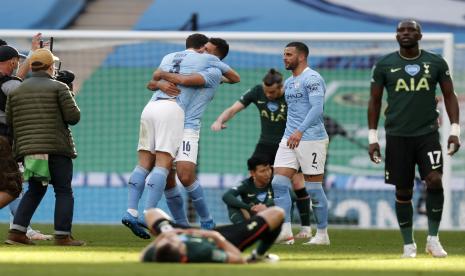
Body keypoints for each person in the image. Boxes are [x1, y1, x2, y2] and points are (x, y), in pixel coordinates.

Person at [122, 34, 239, 239]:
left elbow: (183, 79)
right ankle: (182, 226)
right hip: (168, 118)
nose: (204, 52)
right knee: (166, 177)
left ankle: (206, 221)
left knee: (185, 176)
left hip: (187, 128)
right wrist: (159, 82)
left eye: (209, 51)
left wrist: (162, 75)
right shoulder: (191, 62)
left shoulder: (211, 71)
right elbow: (152, 82)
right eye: (204, 49)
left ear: (217, 58)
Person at [368, 19, 461, 258]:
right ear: (396, 35)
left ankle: (433, 239)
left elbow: (449, 96)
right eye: (401, 30)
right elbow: (375, 101)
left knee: (434, 180)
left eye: (411, 30)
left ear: (420, 36)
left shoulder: (436, 62)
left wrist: (454, 130)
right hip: (397, 135)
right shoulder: (384, 64)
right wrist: (372, 137)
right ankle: (408, 244)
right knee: (403, 191)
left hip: (427, 134)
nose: (405, 33)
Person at [211, 68, 313, 240]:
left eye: (272, 92)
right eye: (266, 92)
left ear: (281, 87)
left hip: (289, 144)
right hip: (265, 145)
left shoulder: (292, 94)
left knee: (297, 185)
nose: (269, 95)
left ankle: (305, 228)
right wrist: (220, 120)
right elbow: (234, 108)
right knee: (256, 181)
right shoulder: (257, 91)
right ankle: (254, 223)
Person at [4, 48, 84, 246]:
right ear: (51, 67)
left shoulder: (17, 89)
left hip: (30, 150)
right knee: (63, 190)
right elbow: (73, 117)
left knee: (35, 190)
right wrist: (69, 93)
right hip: (56, 147)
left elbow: (10, 120)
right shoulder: (59, 87)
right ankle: (63, 236)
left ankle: (17, 232)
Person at [270, 42, 330, 245]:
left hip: (311, 138)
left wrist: (300, 131)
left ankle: (322, 235)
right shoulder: (288, 82)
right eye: (284, 54)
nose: (284, 58)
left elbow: (317, 109)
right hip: (289, 138)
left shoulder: (312, 78)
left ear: (301, 57)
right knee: (278, 183)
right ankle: (285, 233)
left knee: (313, 189)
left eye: (289, 54)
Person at [0, 38, 53, 241]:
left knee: (9, 186)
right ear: (11, 61)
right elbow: (18, 88)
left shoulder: (8, 82)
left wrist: (31, 55)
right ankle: (22, 228)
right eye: (15, 60)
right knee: (12, 187)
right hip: (3, 140)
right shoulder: (9, 84)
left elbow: (13, 82)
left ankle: (22, 227)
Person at [140, 206, 283, 263]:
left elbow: (142, 257)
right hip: (224, 239)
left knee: (152, 213)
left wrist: (165, 235)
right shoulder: (203, 252)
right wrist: (216, 237)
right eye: (176, 242)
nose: (172, 240)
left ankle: (169, 231)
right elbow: (238, 259)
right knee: (278, 213)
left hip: (188, 232)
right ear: (183, 250)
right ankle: (258, 255)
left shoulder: (160, 250)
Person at [222, 157, 274, 224]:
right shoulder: (246, 184)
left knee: (283, 199)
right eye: (262, 171)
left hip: (273, 218)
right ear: (252, 173)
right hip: (253, 219)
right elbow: (226, 196)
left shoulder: (275, 181)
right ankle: (242, 229)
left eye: (268, 169)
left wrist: (267, 206)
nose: (267, 173)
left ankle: (286, 228)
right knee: (232, 204)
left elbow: (291, 195)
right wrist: (250, 208)